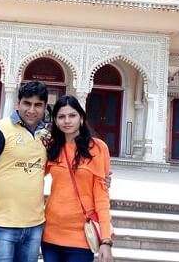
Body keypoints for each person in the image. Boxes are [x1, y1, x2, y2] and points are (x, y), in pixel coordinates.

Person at [0, 81, 49, 262]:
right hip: (1, 226)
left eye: (38, 105)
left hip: (34, 226)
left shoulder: (46, 136)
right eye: (27, 103)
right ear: (18, 103)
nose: (32, 110)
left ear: (45, 107)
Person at [42, 95, 113, 262]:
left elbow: (102, 198)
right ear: (56, 121)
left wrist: (106, 240)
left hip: (81, 237)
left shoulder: (97, 148)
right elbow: (31, 177)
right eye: (61, 116)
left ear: (81, 118)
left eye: (72, 115)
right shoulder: (50, 147)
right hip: (50, 235)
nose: (67, 121)